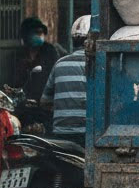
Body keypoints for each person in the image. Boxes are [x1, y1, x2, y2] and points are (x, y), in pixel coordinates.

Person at [40, 16, 90, 147]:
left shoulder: (59, 64)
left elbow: (45, 102)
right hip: (89, 134)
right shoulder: (99, 65)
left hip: (61, 134)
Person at [12, 16, 66, 105]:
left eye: (41, 33)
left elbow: (50, 76)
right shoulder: (20, 54)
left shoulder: (49, 51)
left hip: (45, 100)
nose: (39, 36)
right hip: (24, 101)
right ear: (26, 35)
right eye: (36, 33)